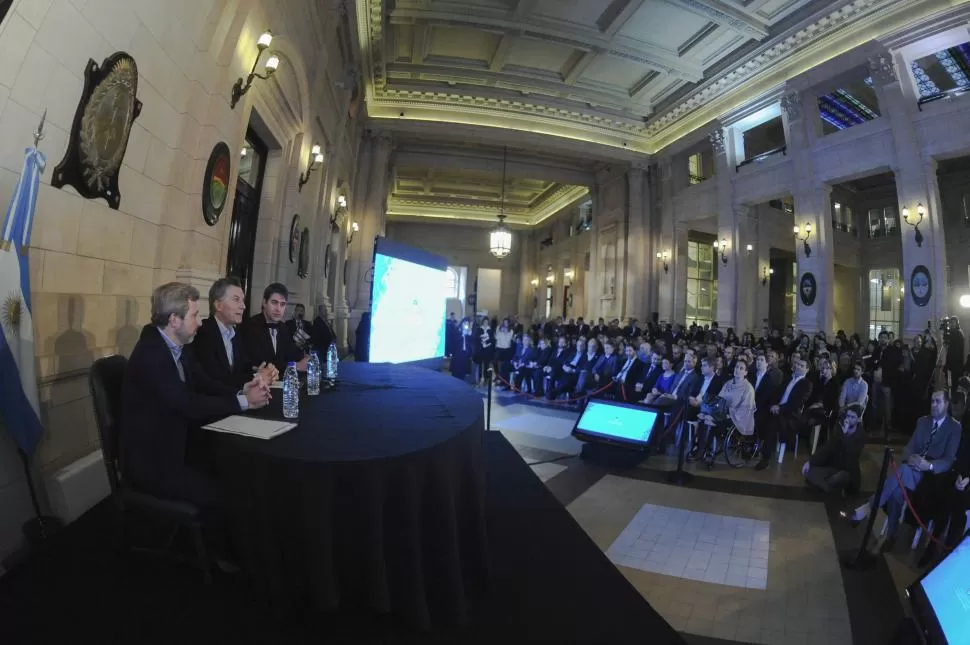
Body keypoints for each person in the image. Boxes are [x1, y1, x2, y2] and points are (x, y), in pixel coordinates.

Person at [120, 282, 271, 509]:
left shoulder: (178, 346)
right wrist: (243, 402)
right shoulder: (151, 354)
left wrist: (242, 391)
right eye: (194, 315)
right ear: (174, 320)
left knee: (239, 471)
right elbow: (187, 403)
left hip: (178, 444)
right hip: (156, 463)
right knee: (231, 492)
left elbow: (205, 383)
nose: (200, 322)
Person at [848, 391, 962, 551]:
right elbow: (909, 447)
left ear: (947, 404)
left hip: (932, 476)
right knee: (897, 489)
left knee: (900, 474)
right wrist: (912, 459)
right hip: (912, 467)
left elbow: (949, 459)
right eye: (931, 401)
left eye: (937, 402)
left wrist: (928, 465)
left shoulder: (954, 427)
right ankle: (891, 534)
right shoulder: (923, 421)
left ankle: (868, 509)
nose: (933, 405)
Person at [193, 277, 278, 390]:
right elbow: (216, 379)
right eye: (236, 299)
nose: (243, 306)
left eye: (242, 300)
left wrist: (261, 370)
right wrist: (256, 377)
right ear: (218, 305)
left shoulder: (236, 332)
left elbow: (244, 365)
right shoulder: (204, 332)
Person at [696, 358, 755, 470]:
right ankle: (703, 449)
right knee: (704, 418)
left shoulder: (748, 388)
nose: (737, 370)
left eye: (741, 368)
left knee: (710, 422)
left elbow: (746, 409)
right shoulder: (728, 383)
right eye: (737, 367)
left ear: (746, 372)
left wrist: (729, 414)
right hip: (723, 413)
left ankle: (708, 452)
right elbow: (720, 399)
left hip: (738, 417)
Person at [756, 356, 813, 470]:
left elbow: (796, 403)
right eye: (797, 364)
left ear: (807, 370)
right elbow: (776, 393)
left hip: (790, 415)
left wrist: (779, 408)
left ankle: (765, 458)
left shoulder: (806, 384)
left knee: (772, 424)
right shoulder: (787, 378)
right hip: (777, 409)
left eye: (802, 366)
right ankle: (752, 447)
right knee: (759, 415)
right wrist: (773, 405)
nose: (798, 367)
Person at [240, 283, 307, 373]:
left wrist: (305, 356)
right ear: (264, 302)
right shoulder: (250, 327)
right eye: (274, 302)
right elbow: (263, 364)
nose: (278, 309)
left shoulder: (283, 328)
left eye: (282, 304)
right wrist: (296, 366)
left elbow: (291, 353)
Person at [803, 404, 866, 495]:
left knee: (841, 477)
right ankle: (829, 489)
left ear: (858, 419)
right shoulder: (840, 429)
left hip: (847, 470)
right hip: (833, 467)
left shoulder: (861, 435)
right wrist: (810, 462)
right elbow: (827, 447)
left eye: (852, 417)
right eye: (848, 416)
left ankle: (824, 486)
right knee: (810, 472)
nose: (849, 419)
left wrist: (844, 435)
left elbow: (851, 454)